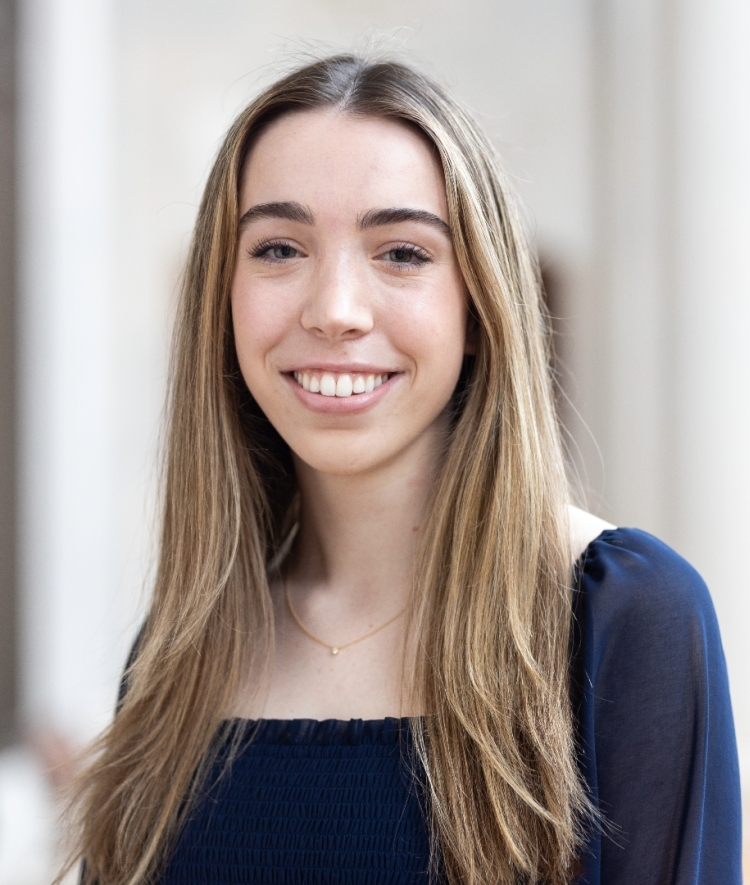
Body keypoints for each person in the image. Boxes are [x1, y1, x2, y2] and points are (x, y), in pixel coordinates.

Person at [62, 55, 742, 885]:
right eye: (278, 247)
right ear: (223, 298)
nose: (335, 310)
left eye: (403, 253)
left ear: (477, 307)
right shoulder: (184, 647)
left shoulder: (623, 614)